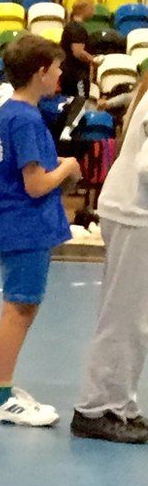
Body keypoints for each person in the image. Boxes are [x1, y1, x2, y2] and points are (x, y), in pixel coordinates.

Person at [0, 34, 80, 426]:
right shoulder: (27, 119)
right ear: (40, 72)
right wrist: (68, 167)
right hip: (26, 225)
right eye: (56, 70)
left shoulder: (6, 112)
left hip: (10, 220)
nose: (59, 77)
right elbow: (36, 184)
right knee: (19, 308)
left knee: (21, 305)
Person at [71, 83, 148, 443]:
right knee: (125, 317)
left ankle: (120, 404)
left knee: (133, 317)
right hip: (136, 214)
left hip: (132, 211)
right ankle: (97, 407)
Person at [60, 0, 95, 102]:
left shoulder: (70, 26)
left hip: (68, 73)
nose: (93, 11)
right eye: (91, 8)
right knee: (80, 103)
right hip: (76, 75)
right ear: (84, 10)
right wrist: (93, 60)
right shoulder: (78, 29)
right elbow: (78, 52)